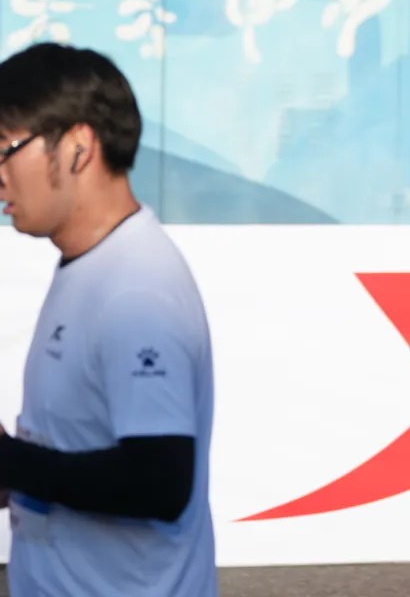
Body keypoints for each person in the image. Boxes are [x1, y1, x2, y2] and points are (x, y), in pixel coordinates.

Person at [0, 43, 217, 596]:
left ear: (78, 146)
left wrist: (10, 462)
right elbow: (69, 453)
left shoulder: (137, 288)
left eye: (6, 149)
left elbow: (159, 481)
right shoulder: (90, 265)